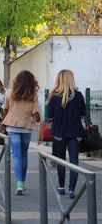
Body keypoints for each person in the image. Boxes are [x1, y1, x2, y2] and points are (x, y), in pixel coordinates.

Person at [46, 69, 86, 199]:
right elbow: (83, 114)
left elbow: (49, 115)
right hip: (75, 132)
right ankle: (72, 190)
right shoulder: (79, 95)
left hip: (59, 132)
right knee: (74, 161)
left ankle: (61, 186)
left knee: (61, 161)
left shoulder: (54, 95)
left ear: (59, 79)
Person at [2, 70, 40, 195]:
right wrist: (36, 120)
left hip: (12, 127)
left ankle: (19, 184)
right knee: (24, 155)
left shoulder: (11, 92)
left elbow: (5, 108)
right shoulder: (33, 94)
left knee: (16, 155)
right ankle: (22, 181)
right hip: (26, 127)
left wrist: (7, 118)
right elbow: (37, 114)